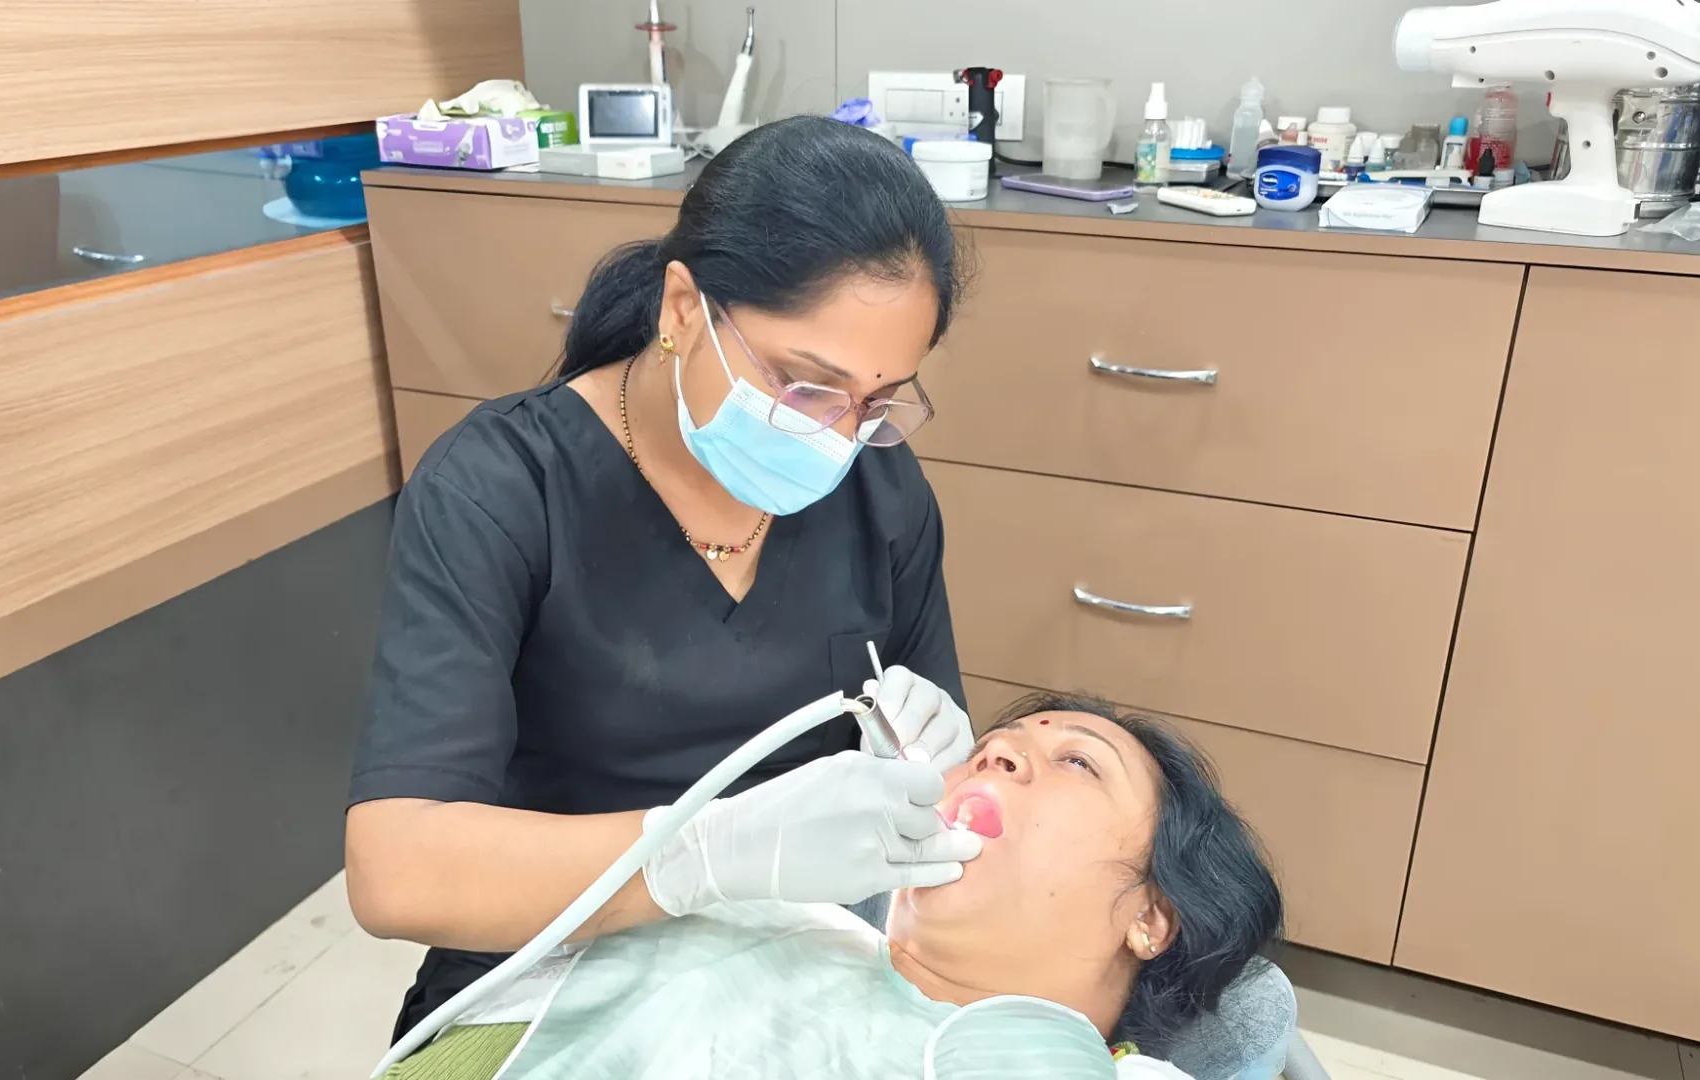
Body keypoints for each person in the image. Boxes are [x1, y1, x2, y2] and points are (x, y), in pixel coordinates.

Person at [346, 115, 984, 1039]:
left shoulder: (881, 489)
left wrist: (931, 773)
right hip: (546, 970)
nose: (839, 437)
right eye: (806, 385)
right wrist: (701, 856)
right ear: (684, 309)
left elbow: (943, 795)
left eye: (879, 401)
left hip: (800, 970)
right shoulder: (502, 488)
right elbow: (396, 870)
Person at [377, 693, 1285, 1080]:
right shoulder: (741, 910)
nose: (999, 750)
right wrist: (692, 858)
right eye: (994, 748)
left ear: (1153, 916)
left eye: (1076, 763)